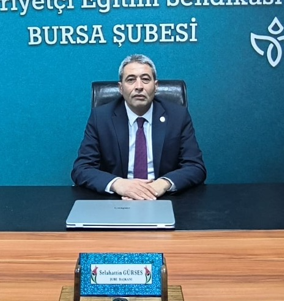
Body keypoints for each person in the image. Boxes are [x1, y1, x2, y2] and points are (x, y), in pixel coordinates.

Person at [71, 54, 206, 200]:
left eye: (145, 79)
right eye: (131, 80)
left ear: (156, 86)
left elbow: (195, 167)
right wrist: (118, 184)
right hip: (118, 199)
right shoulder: (101, 117)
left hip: (162, 197)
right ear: (121, 88)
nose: (139, 86)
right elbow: (82, 168)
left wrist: (162, 184)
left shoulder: (177, 116)